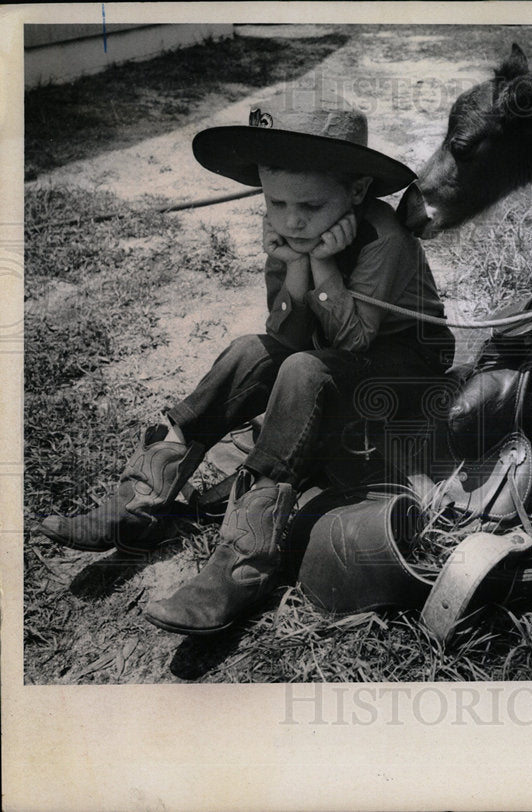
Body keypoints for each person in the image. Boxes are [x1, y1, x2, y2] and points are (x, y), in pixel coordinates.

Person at [39, 89, 455, 635]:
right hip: (341, 353)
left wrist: (325, 270)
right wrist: (292, 267)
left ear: (355, 191)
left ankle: (243, 560)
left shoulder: (383, 236)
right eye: (276, 204)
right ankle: (141, 496)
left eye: (309, 207)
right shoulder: (290, 236)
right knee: (247, 352)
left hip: (406, 366)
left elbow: (351, 344)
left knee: (303, 371)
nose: (292, 220)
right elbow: (285, 333)